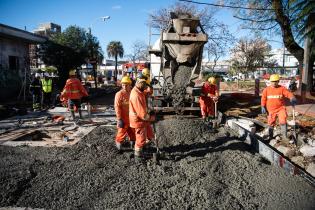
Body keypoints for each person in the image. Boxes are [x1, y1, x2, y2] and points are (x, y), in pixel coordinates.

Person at [261, 74, 297, 142]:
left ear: (278, 81)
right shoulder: (266, 90)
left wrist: (292, 97)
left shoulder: (282, 88)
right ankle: (271, 137)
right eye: (273, 81)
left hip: (281, 108)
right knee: (271, 122)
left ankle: (284, 137)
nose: (274, 83)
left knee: (283, 120)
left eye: (276, 81)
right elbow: (263, 98)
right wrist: (263, 106)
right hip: (271, 110)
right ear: (270, 81)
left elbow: (288, 93)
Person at [129, 74, 155, 161]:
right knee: (140, 140)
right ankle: (138, 156)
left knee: (150, 135)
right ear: (140, 83)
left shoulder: (140, 91)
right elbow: (143, 115)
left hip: (143, 120)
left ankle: (145, 148)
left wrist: (150, 85)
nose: (145, 87)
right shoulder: (136, 95)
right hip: (139, 121)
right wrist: (152, 118)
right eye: (145, 85)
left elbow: (149, 92)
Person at [114, 76, 136, 151]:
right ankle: (119, 147)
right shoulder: (119, 94)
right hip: (123, 119)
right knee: (121, 133)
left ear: (130, 85)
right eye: (123, 85)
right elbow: (117, 107)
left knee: (133, 133)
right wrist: (119, 119)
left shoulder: (132, 93)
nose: (124, 86)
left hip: (132, 118)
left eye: (126, 85)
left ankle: (133, 145)